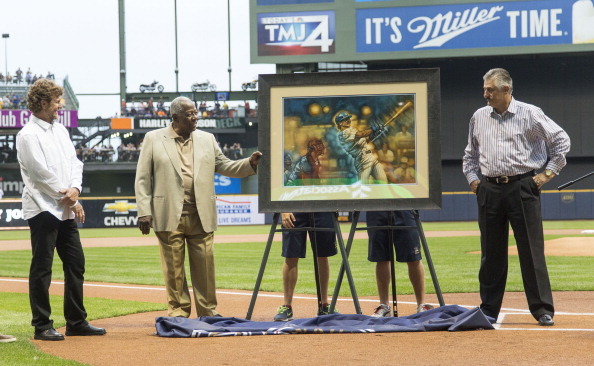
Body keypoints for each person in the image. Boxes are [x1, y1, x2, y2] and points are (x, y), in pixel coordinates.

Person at [135, 96, 262, 318]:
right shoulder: (153, 138)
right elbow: (143, 178)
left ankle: (208, 312)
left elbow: (224, 165)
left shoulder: (207, 138)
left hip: (200, 212)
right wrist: (144, 212)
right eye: (191, 114)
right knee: (174, 269)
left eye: (196, 113)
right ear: (175, 117)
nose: (196, 117)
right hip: (168, 212)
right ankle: (178, 312)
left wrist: (248, 164)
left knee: (205, 268)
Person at [462, 68, 570, 326]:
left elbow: (561, 141)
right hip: (489, 188)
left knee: (531, 251)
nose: (485, 94)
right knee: (491, 253)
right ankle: (489, 309)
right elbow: (470, 155)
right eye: (485, 88)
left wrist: (546, 175)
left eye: (490, 89)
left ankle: (542, 309)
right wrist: (475, 182)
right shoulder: (479, 116)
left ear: (506, 90)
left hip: (522, 186)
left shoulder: (530, 113)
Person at [16, 79, 106, 341]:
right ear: (43, 102)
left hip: (64, 208)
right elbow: (41, 175)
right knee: (42, 268)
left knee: (76, 263)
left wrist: (75, 188)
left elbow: (74, 163)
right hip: (43, 208)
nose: (60, 105)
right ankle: (41, 325)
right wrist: (72, 199)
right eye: (56, 101)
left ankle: (76, 321)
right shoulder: (27, 135)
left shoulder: (61, 131)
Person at [273, 212, 338, 321]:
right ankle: (287, 307)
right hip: (294, 208)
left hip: (321, 207)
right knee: (291, 255)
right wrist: (283, 210)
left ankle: (324, 305)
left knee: (322, 255)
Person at [367, 211, 433, 317]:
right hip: (377, 206)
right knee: (381, 258)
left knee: (413, 257)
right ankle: (384, 305)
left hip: (405, 206)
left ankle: (421, 304)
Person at [334, 111, 387, 184]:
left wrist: (375, 134)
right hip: (362, 160)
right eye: (345, 120)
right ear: (340, 123)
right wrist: (373, 129)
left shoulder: (352, 130)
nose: (348, 120)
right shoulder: (343, 133)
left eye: (348, 119)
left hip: (371, 157)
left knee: (383, 182)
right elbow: (361, 134)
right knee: (363, 187)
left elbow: (365, 140)